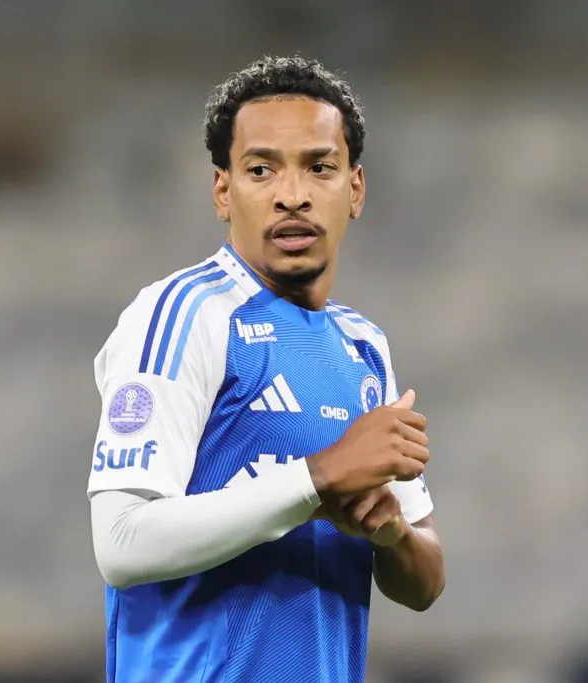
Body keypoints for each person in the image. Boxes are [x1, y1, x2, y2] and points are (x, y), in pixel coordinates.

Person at [86, 56, 446, 683]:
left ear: (355, 189)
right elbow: (121, 542)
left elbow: (425, 583)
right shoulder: (182, 315)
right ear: (223, 191)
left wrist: (389, 533)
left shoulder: (363, 346)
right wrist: (319, 479)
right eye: (260, 169)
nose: (293, 194)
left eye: (320, 167)